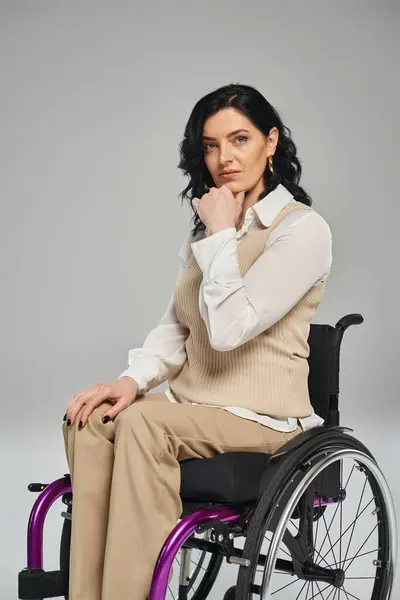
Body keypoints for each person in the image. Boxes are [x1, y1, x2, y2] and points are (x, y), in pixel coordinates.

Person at [62, 82, 332, 600]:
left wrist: (224, 234)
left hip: (267, 422)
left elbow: (229, 330)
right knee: (92, 417)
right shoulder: (210, 233)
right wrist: (127, 381)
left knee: (142, 424)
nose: (224, 158)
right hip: (194, 410)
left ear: (271, 142)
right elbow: (177, 327)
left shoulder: (302, 230)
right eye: (211, 145)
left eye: (239, 140)